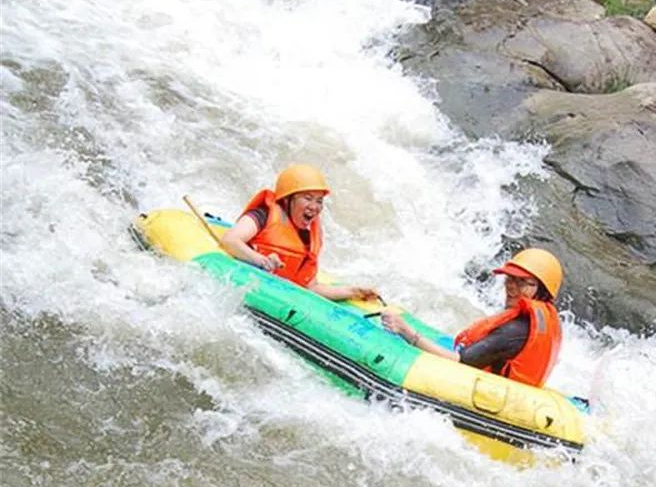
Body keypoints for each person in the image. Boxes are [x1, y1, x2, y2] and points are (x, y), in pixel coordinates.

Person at [382, 248, 563, 388]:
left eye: (523, 283)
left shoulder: (515, 331)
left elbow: (459, 362)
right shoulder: (540, 322)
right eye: (510, 279)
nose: (512, 287)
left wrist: (405, 331)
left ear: (542, 291)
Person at [222, 164, 378, 302]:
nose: (314, 206)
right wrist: (262, 261)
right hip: (247, 283)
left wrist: (352, 291)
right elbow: (230, 240)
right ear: (287, 200)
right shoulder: (263, 215)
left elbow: (310, 287)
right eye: (307, 198)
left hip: (280, 298)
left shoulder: (308, 237)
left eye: (319, 201)